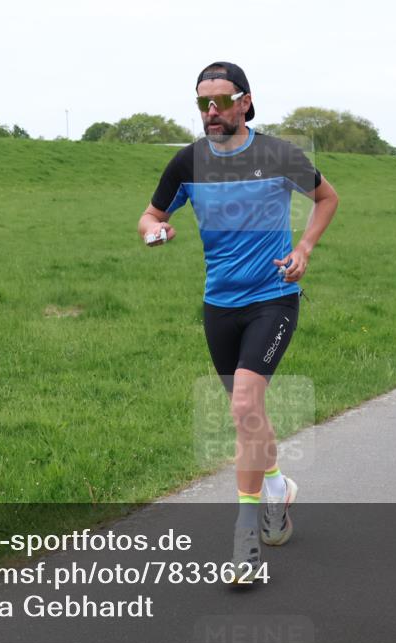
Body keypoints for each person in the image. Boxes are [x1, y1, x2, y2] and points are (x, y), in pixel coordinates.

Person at [137, 62, 339, 582]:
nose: (212, 111)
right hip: (219, 304)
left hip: (274, 295)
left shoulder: (277, 154)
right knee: (247, 415)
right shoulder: (187, 163)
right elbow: (151, 214)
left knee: (246, 404)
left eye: (222, 101)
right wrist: (153, 231)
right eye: (203, 102)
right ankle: (276, 486)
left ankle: (245, 540)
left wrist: (305, 248)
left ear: (245, 102)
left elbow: (325, 197)